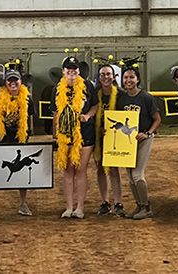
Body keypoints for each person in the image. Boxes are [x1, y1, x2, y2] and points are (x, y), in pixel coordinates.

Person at [0, 69, 35, 216]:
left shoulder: (28, 99)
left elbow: (29, 119)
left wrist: (27, 137)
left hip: (18, 140)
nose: (12, 83)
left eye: (15, 80)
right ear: (5, 83)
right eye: (9, 80)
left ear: (20, 82)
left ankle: (23, 204)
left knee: (22, 174)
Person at [50, 56, 98, 219]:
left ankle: (80, 208)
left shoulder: (88, 86)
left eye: (74, 70)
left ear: (78, 71)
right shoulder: (57, 89)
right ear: (63, 71)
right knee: (68, 171)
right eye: (68, 70)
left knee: (81, 170)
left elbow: (95, 105)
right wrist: (56, 134)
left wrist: (88, 116)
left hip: (85, 134)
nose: (72, 72)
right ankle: (69, 207)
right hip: (65, 135)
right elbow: (55, 112)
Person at [117, 65, 161, 220]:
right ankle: (139, 205)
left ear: (137, 79)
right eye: (126, 78)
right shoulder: (122, 98)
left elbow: (157, 119)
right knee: (129, 175)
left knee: (137, 174)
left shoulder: (146, 97)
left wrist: (148, 133)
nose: (128, 80)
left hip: (144, 139)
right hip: (129, 141)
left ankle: (147, 207)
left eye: (131, 77)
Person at [92, 65, 125, 216]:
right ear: (99, 77)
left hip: (115, 137)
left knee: (113, 169)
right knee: (99, 167)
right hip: (98, 137)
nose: (106, 77)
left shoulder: (120, 95)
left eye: (108, 74)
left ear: (114, 76)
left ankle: (118, 202)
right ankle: (105, 202)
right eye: (103, 75)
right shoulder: (94, 95)